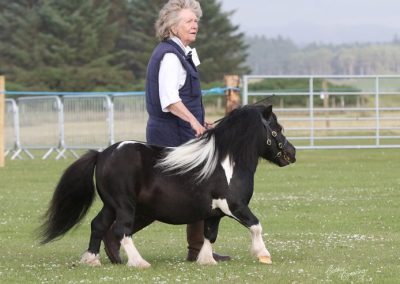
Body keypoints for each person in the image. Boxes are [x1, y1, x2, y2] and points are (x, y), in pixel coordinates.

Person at [103, 0, 230, 263]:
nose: (195, 24)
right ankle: (114, 234)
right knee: (160, 199)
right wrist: (194, 123)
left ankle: (197, 248)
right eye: (188, 21)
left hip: (183, 132)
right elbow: (170, 100)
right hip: (171, 135)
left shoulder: (181, 52)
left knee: (199, 190)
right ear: (172, 27)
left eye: (196, 20)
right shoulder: (170, 56)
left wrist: (200, 122)